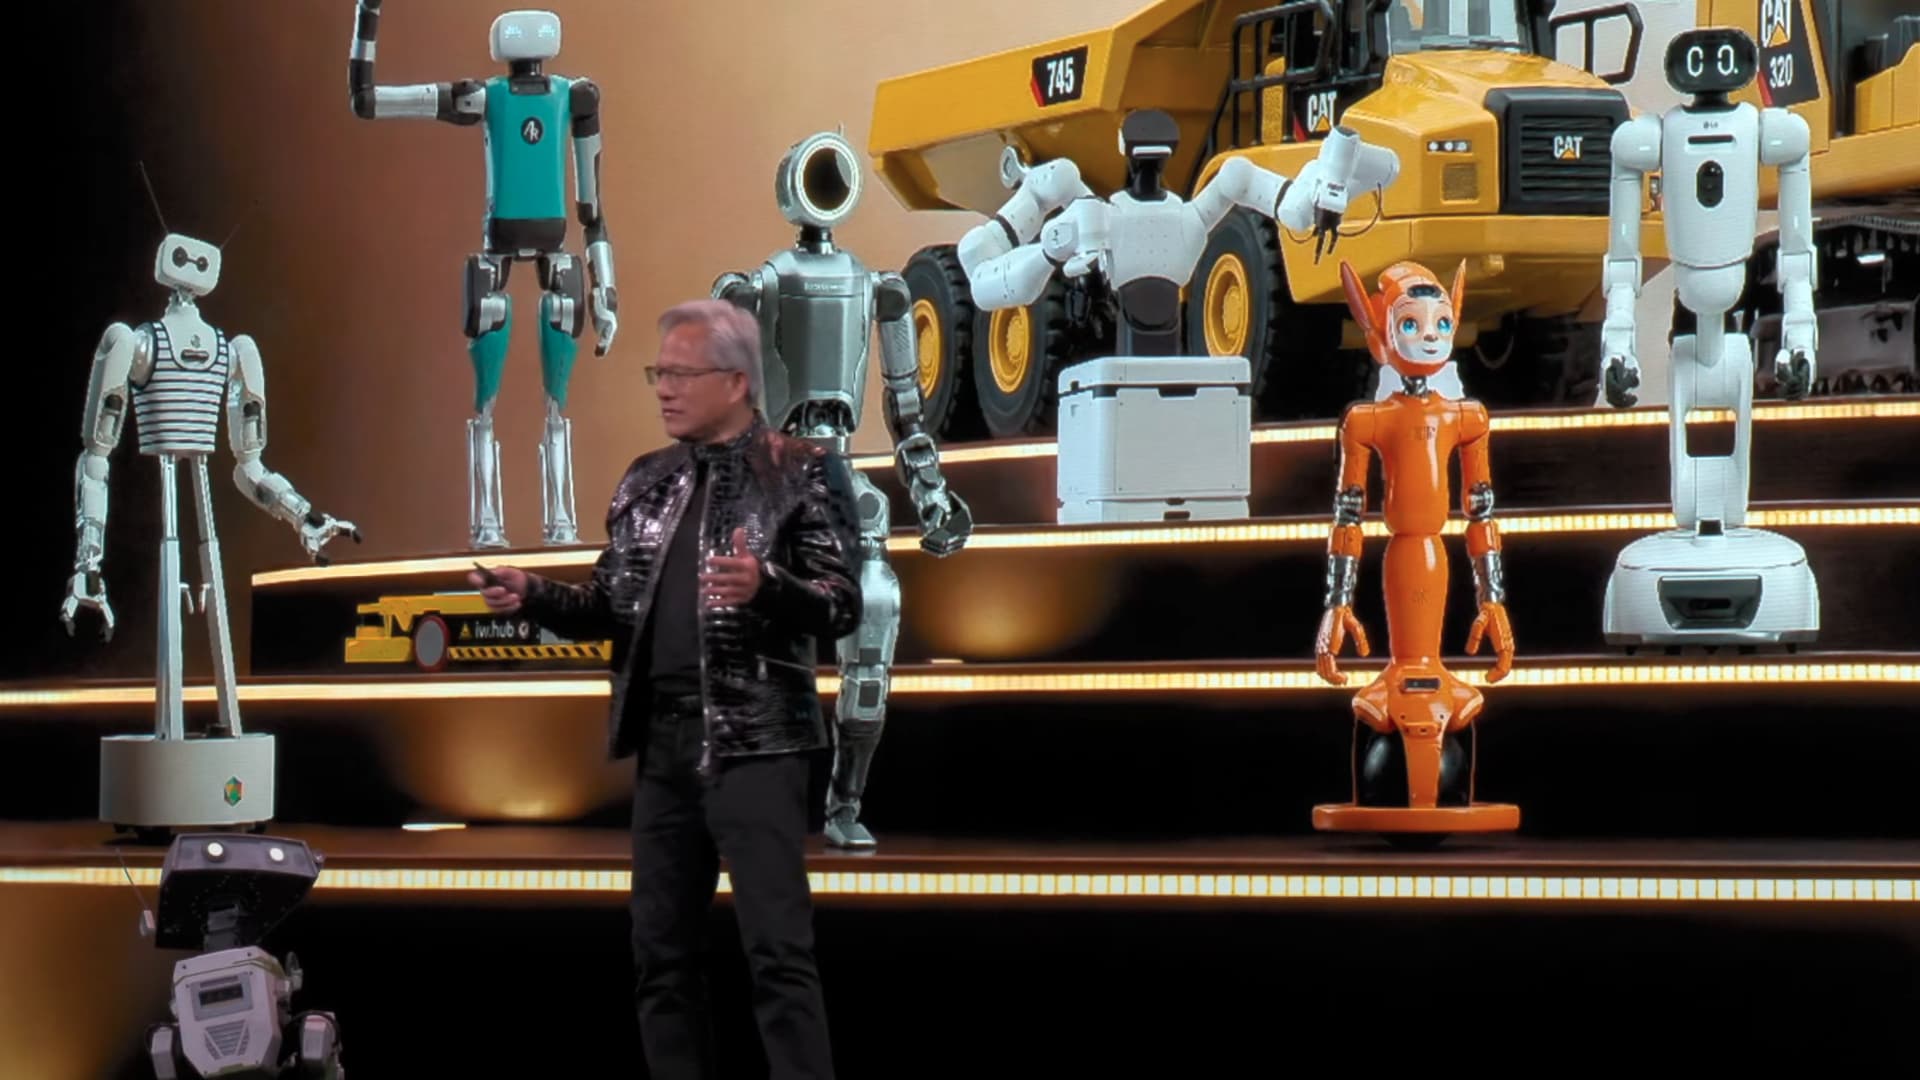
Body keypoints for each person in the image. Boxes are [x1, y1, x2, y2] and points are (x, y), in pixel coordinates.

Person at [469, 299, 861, 1079]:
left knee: (778, 957)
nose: (664, 389)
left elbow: (841, 603)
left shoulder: (802, 468)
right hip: (664, 746)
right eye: (659, 372)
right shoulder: (647, 482)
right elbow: (609, 609)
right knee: (661, 958)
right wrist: (534, 594)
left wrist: (767, 585)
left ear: (737, 382)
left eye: (681, 374)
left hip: (757, 746)